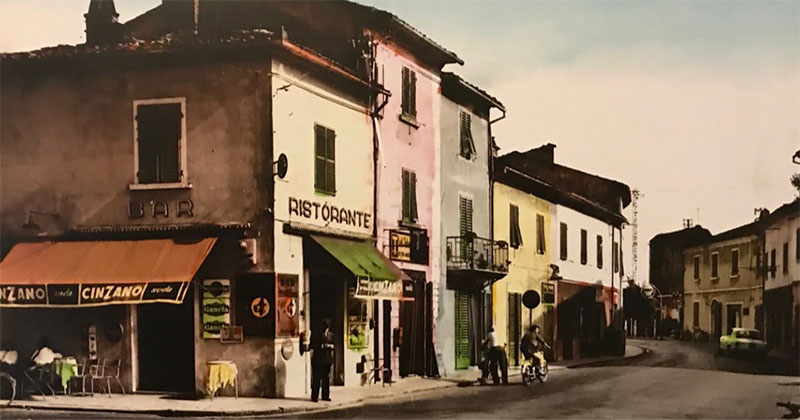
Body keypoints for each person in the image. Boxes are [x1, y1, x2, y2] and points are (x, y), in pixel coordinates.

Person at [310, 319, 335, 402]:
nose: (326, 329)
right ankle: (315, 396)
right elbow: (312, 345)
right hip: (318, 359)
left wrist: (331, 346)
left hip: (327, 360)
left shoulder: (331, 334)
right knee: (316, 378)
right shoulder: (316, 334)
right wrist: (321, 346)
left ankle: (325, 395)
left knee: (326, 379)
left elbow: (334, 344)